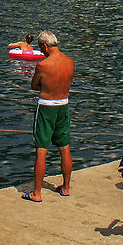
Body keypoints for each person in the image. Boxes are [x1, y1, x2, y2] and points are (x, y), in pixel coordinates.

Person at [25, 31, 74, 201]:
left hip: (46, 107)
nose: (41, 52)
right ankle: (66, 187)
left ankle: (37, 193)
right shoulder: (70, 62)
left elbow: (34, 85)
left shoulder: (43, 65)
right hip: (64, 104)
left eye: (40, 48)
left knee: (41, 149)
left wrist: (46, 86)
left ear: (45, 46)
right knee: (64, 147)